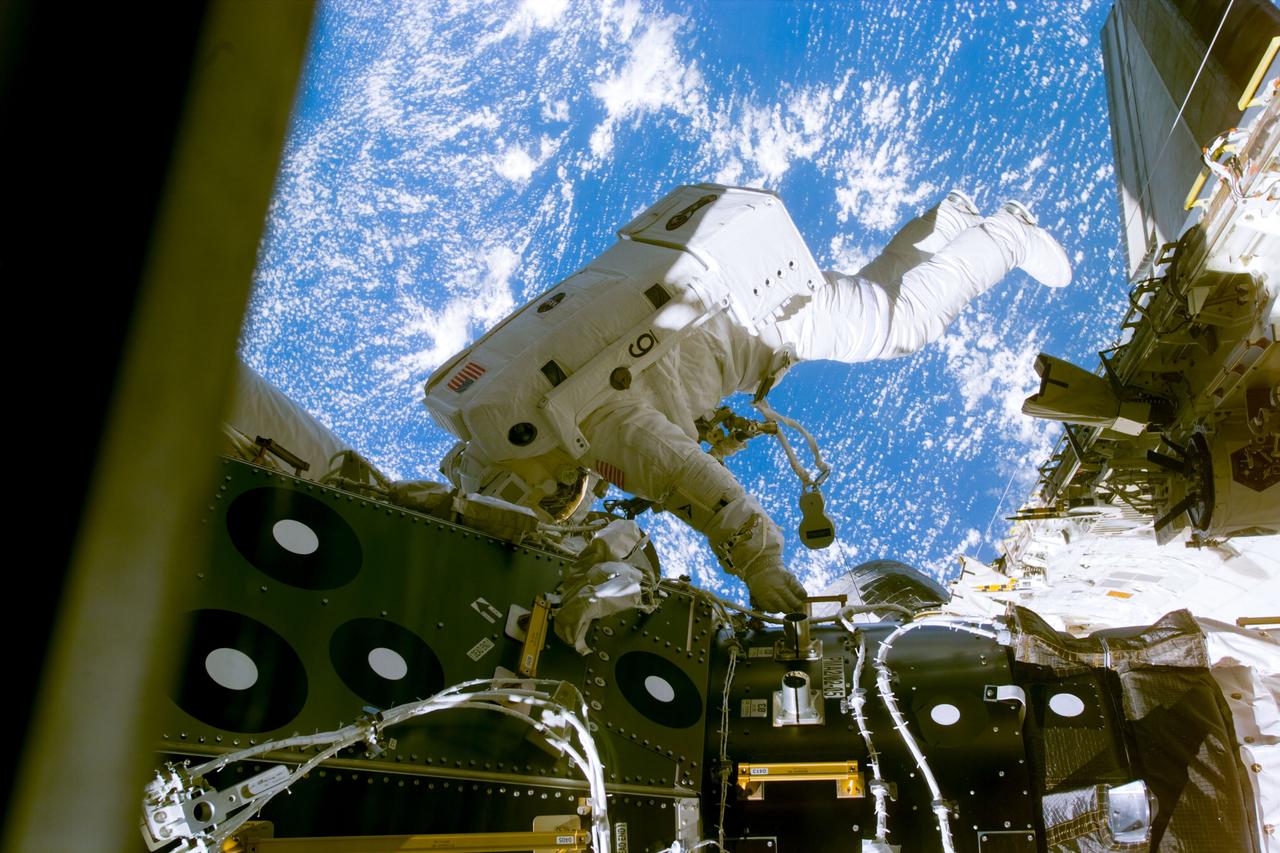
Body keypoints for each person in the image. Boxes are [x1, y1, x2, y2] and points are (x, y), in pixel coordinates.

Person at [430, 186, 1070, 613]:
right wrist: (704, 421)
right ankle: (953, 222)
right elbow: (638, 375)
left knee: (896, 328)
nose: (575, 497)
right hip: (718, 273)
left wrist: (759, 566)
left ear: (531, 484)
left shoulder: (589, 437)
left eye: (561, 499)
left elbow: (697, 486)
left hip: (759, 313)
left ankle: (1009, 234)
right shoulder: (521, 403)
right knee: (870, 299)